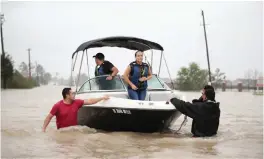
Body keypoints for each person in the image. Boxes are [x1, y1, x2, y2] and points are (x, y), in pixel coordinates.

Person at [42, 88, 109, 132]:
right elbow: (49, 117)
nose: (75, 94)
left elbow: (90, 101)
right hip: (62, 132)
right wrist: (43, 129)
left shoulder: (77, 102)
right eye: (73, 93)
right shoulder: (57, 106)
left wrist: (102, 98)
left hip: (74, 130)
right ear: (67, 95)